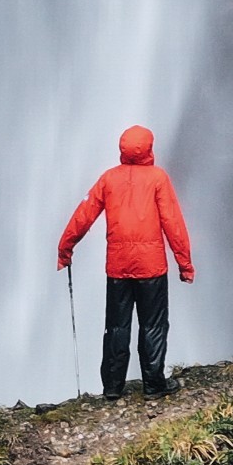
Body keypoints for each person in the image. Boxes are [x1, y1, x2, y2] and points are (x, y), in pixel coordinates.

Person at [58, 124, 194, 399]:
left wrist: (65, 248)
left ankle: (112, 386)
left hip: (118, 267)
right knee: (153, 325)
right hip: (151, 266)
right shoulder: (158, 178)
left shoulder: (109, 179)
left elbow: (84, 214)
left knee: (117, 326)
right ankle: (154, 385)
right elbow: (173, 223)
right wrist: (184, 263)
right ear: (149, 149)